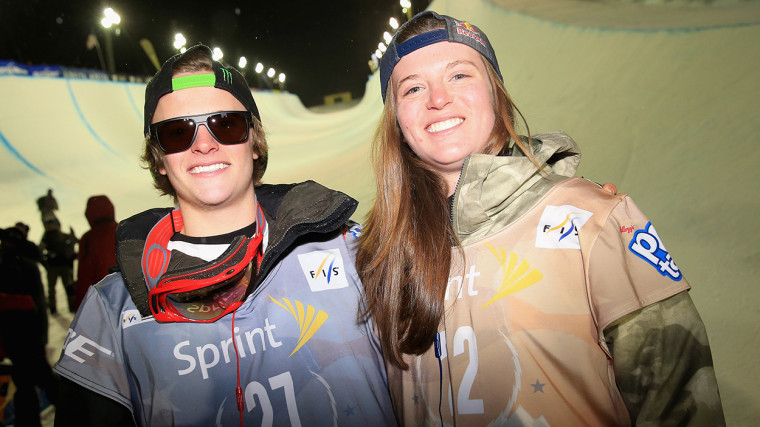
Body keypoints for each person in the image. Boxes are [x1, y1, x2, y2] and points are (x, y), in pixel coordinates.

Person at [356, 11, 724, 426]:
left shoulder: (593, 219)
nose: (437, 99)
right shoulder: (380, 257)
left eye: (459, 76)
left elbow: (679, 396)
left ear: (495, 91)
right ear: (397, 121)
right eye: (413, 88)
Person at [54, 45, 395, 426]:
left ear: (255, 140)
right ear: (159, 159)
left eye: (225, 124)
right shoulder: (112, 311)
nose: (203, 144)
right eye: (177, 132)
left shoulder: (356, 254)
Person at [0, 226, 58, 427]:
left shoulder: (17, 265)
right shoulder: (27, 263)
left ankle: (73, 410)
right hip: (28, 334)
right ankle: (72, 409)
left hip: (22, 335)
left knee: (31, 381)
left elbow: (27, 303)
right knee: (34, 379)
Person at [72, 195, 118, 311]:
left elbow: (84, 275)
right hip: (126, 299)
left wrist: (81, 306)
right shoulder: (123, 230)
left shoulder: (88, 239)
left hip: (100, 301)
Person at [39, 218, 77, 314]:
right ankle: (56, 308)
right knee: (55, 288)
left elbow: (74, 240)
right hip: (54, 266)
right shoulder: (47, 237)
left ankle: (70, 306)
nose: (50, 227)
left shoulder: (60, 235)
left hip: (60, 265)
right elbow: (40, 249)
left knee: (67, 287)